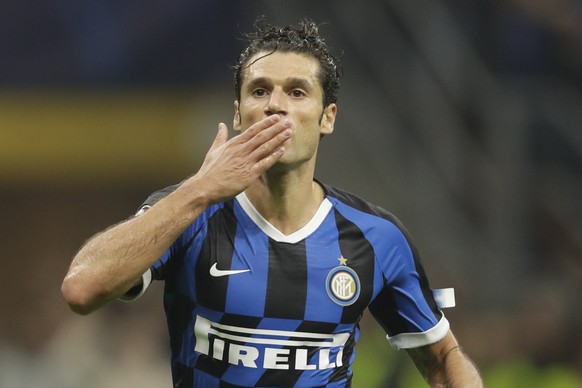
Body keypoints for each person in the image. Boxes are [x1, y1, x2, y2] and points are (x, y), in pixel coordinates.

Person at [62, 17, 483, 387]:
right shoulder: (190, 213)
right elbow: (82, 288)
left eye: (297, 92)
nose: (276, 106)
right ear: (239, 114)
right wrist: (200, 188)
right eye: (259, 91)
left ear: (327, 118)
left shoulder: (376, 238)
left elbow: (444, 359)